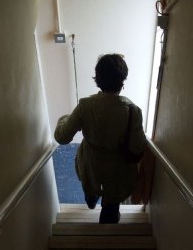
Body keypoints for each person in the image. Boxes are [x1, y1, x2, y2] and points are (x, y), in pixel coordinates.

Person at [54, 54, 147, 223]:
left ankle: (91, 199)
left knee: (90, 186)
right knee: (112, 205)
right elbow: (137, 147)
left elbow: (62, 137)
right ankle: (108, 224)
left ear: (98, 78)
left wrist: (63, 118)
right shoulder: (133, 111)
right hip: (118, 170)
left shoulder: (85, 106)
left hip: (91, 163)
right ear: (122, 80)